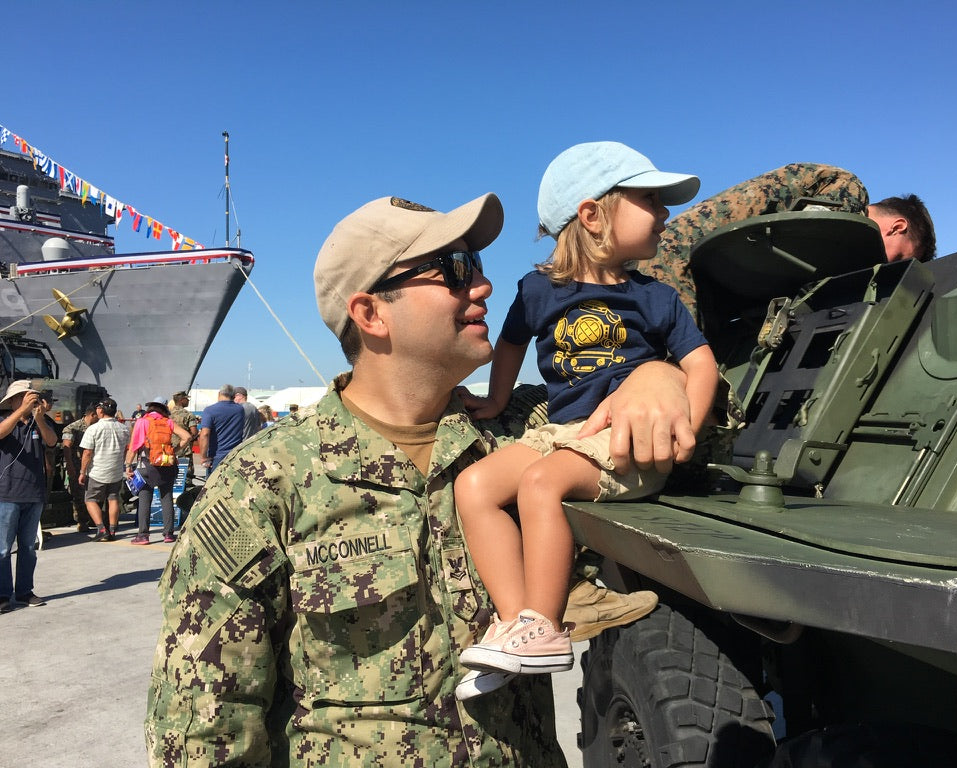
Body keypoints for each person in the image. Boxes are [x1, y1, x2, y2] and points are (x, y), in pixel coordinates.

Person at [146, 192, 693, 765]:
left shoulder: (530, 436)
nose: (482, 286)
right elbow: (204, 730)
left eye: (477, 267)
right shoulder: (265, 483)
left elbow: (701, 441)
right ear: (371, 313)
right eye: (455, 270)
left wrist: (658, 374)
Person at [454, 142, 718, 688]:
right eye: (650, 199)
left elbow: (701, 364)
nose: (665, 213)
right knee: (475, 486)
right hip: (563, 429)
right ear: (593, 215)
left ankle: (544, 624)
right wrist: (499, 401)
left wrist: (685, 423)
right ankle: (516, 622)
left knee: (541, 485)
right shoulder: (536, 290)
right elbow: (509, 347)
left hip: (623, 436)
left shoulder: (657, 298)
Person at [643, 162, 937, 320]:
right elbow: (804, 257)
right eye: (896, 257)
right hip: (675, 267)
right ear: (897, 227)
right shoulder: (850, 192)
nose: (884, 264)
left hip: (676, 268)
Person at [0, 380, 58, 613]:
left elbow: (52, 441)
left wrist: (39, 416)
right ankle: (3, 594)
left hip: (34, 494)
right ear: (13, 400)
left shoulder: (38, 423)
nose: (29, 400)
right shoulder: (6, 421)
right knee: (3, 548)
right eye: (24, 396)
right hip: (7, 493)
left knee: (27, 546)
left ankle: (24, 591)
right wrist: (21, 412)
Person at [126, 397, 192, 545]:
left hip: (147, 466)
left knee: (144, 499)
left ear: (150, 408)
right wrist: (174, 451)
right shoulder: (168, 422)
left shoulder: (142, 421)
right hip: (166, 465)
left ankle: (143, 535)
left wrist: (128, 466)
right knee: (166, 498)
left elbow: (134, 446)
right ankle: (168, 534)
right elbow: (187, 437)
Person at [78, 398, 130, 541]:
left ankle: (101, 529)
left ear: (100, 410)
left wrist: (82, 472)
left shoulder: (93, 429)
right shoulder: (124, 428)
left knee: (90, 499)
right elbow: (126, 449)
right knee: (113, 499)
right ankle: (112, 530)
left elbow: (87, 453)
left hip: (98, 471)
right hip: (116, 471)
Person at [61, 403, 99, 532]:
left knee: (93, 494)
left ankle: (94, 519)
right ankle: (82, 522)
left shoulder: (96, 427)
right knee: (79, 495)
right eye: (97, 416)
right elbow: (66, 448)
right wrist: (70, 467)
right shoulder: (73, 428)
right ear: (92, 415)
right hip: (77, 466)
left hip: (93, 466)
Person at [197, 384, 244, 472]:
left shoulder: (210, 410)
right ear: (233, 396)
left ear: (219, 394)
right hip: (235, 455)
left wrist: (203, 457)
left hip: (216, 456)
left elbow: (205, 434)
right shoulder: (240, 410)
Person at [168, 391, 198, 459]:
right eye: (186, 399)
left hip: (170, 450)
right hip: (185, 451)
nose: (188, 400)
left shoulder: (168, 415)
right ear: (182, 400)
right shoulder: (189, 415)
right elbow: (194, 432)